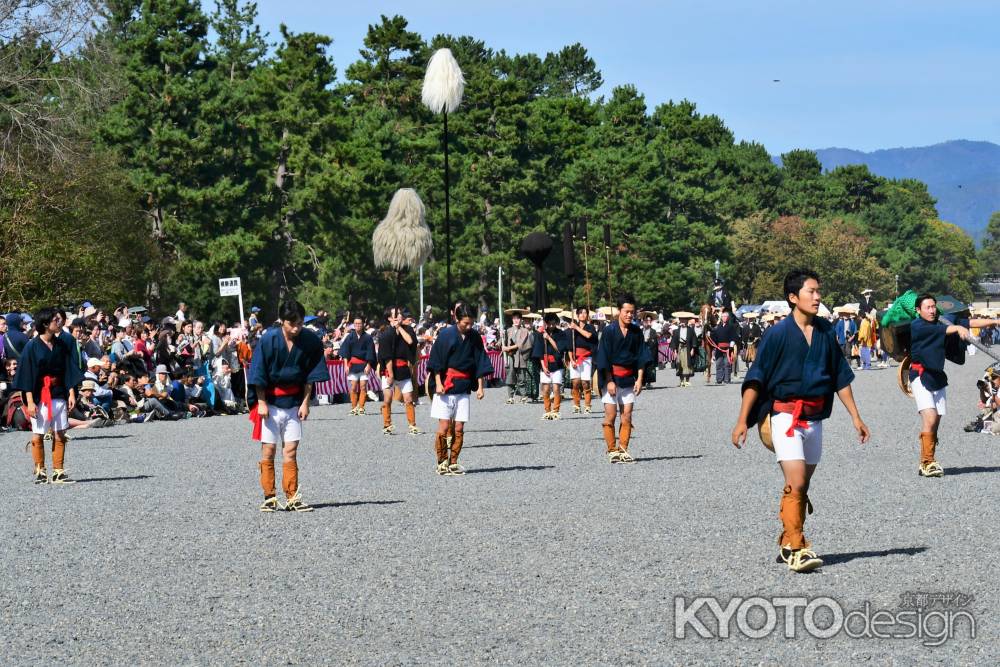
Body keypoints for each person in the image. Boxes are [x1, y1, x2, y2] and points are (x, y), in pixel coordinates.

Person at [731, 269, 871, 573]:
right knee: (795, 483)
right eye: (811, 291)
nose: (817, 296)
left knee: (802, 485)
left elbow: (840, 377)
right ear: (793, 298)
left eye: (818, 291)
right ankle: (798, 547)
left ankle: (786, 538)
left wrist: (856, 418)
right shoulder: (777, 334)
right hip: (784, 415)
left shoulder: (825, 331)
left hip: (814, 418)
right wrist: (743, 420)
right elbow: (756, 378)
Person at [907, 294, 1000, 477]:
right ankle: (927, 462)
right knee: (930, 417)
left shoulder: (942, 321)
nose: (932, 310)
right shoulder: (917, 326)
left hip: (938, 377)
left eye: (934, 306)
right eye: (928, 307)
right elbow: (947, 331)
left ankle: (927, 460)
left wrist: (995, 321)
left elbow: (970, 323)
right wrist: (956, 327)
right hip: (919, 374)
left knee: (936, 421)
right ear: (918, 310)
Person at [248, 300, 328, 512]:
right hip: (271, 402)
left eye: (300, 323)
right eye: (291, 324)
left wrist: (305, 403)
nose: (296, 328)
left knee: (291, 450)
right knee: (269, 449)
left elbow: (311, 374)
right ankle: (269, 496)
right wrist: (261, 401)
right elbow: (258, 371)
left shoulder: (309, 340)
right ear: (282, 321)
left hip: (294, 402)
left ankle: (292, 496)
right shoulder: (268, 340)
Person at [12, 307, 84, 484]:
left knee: (60, 432)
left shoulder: (61, 344)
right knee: (38, 433)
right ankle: (40, 470)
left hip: (59, 392)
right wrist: (29, 401)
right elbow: (27, 375)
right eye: (55, 320)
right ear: (45, 324)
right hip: (39, 394)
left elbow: (68, 369)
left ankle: (58, 471)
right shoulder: (31, 346)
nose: (59, 322)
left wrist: (72, 392)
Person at [427, 303, 493, 475]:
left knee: (459, 428)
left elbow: (480, 361)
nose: (468, 326)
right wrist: (438, 383)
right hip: (446, 385)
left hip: (463, 387)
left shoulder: (475, 337)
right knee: (443, 427)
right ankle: (441, 462)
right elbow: (435, 361)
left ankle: (454, 461)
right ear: (457, 319)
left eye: (471, 323)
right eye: (465, 323)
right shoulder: (445, 335)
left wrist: (480, 387)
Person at [595, 294, 651, 464]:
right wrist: (609, 380)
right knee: (610, 415)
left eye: (632, 312)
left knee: (627, 415)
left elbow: (642, 357)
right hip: (611, 377)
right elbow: (603, 357)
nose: (629, 315)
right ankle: (612, 450)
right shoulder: (609, 331)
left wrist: (640, 379)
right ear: (619, 311)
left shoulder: (636, 332)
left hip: (629, 378)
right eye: (626, 311)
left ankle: (623, 449)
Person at [377, 307, 421, 435]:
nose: (400, 316)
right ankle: (387, 424)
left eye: (400, 314)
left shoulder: (407, 329)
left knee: (408, 398)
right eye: (397, 314)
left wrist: (399, 328)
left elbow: (410, 341)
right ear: (390, 318)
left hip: (403, 368)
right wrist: (390, 374)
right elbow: (386, 356)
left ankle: (412, 425)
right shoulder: (385, 333)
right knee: (388, 398)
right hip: (388, 367)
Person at [532, 312, 570, 420]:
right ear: (546, 323)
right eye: (549, 324)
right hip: (545, 363)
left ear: (556, 323)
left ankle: (556, 410)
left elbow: (559, 348)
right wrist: (543, 366)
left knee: (557, 388)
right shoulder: (540, 335)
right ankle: (547, 410)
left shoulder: (561, 334)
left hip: (557, 364)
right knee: (545, 389)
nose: (552, 326)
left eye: (554, 324)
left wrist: (548, 338)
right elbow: (538, 352)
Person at [340, 316, 376, 416]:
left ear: (363, 324)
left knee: (363, 386)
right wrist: (346, 365)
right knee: (353, 387)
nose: (358, 325)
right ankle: (354, 407)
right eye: (356, 324)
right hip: (352, 364)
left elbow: (370, 352)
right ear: (353, 325)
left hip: (364, 364)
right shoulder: (350, 336)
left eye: (359, 323)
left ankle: (361, 407)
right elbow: (345, 352)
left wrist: (369, 365)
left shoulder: (368, 338)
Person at [568, 307, 597, 413]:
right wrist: (571, 359)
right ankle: (576, 405)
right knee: (575, 382)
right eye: (580, 313)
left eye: (585, 313)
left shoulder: (590, 327)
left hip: (586, 357)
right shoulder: (571, 330)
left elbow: (588, 336)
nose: (583, 315)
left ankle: (587, 405)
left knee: (585, 382)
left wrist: (576, 327)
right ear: (577, 315)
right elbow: (569, 346)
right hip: (575, 357)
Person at [502, 312, 532, 404]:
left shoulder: (524, 331)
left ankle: (523, 396)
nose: (516, 320)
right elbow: (502, 342)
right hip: (511, 357)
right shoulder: (508, 330)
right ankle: (510, 397)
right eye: (514, 318)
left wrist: (508, 348)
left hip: (521, 356)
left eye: (518, 318)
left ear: (521, 320)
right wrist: (501, 337)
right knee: (510, 376)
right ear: (512, 320)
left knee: (521, 377)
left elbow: (521, 344)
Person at [707, 311, 739, 385]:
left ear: (728, 318)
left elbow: (734, 336)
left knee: (727, 364)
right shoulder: (718, 327)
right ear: (721, 318)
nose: (724, 318)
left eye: (725, 316)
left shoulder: (731, 327)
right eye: (723, 316)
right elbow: (714, 336)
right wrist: (710, 335)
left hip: (728, 348)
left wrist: (732, 343)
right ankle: (719, 379)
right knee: (718, 364)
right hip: (719, 348)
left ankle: (727, 379)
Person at [670, 314, 698, 387]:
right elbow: (673, 341)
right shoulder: (676, 331)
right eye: (681, 320)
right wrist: (675, 352)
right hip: (679, 348)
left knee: (687, 364)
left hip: (687, 348)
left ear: (686, 321)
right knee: (679, 364)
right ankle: (681, 381)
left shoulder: (690, 330)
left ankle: (687, 381)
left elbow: (694, 340)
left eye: (684, 320)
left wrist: (693, 349)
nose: (682, 321)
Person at [641, 314, 659, 387]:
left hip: (650, 351)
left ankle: (649, 382)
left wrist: (649, 341)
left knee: (650, 367)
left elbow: (655, 343)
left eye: (649, 320)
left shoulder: (653, 331)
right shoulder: (640, 330)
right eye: (646, 320)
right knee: (641, 367)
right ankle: (641, 382)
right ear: (643, 321)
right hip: (642, 351)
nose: (648, 322)